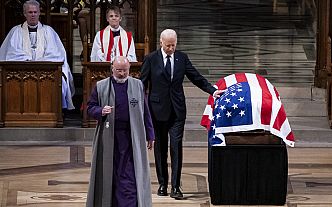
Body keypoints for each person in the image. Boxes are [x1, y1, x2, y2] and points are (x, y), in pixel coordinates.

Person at [140, 28, 224, 199]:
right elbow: (141, 83)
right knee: (160, 148)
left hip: (177, 110)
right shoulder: (150, 59)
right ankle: (163, 184)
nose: (171, 48)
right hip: (157, 110)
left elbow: (196, 77)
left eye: (174, 45)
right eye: (168, 45)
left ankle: (176, 187)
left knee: (176, 147)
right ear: (161, 42)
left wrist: (212, 90)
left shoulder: (182, 58)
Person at [86, 56, 154, 207]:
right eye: (118, 70)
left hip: (132, 138)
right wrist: (101, 110)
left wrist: (150, 134)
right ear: (112, 69)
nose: (122, 74)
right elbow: (90, 107)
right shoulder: (101, 86)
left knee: (129, 174)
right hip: (109, 138)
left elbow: (145, 111)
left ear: (129, 69)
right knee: (110, 173)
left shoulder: (138, 85)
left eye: (125, 70)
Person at [0, 0, 75, 110]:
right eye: (30, 12)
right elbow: (11, 54)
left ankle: (52, 112)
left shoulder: (49, 31)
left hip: (46, 71)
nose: (33, 15)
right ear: (25, 14)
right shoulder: (15, 32)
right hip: (21, 70)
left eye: (35, 12)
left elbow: (56, 54)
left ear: (39, 13)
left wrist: (40, 62)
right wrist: (28, 60)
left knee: (61, 82)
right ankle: (14, 112)